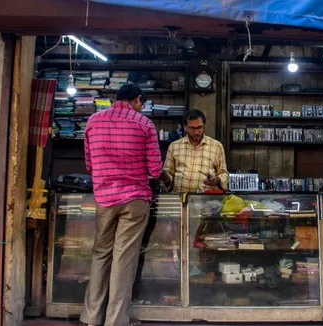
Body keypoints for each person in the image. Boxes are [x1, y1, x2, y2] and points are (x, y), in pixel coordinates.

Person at [80, 84, 162, 326]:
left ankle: (91, 317)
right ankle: (116, 320)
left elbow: (89, 165)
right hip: (134, 198)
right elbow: (155, 169)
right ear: (137, 99)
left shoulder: (93, 121)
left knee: (100, 254)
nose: (141, 108)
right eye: (141, 103)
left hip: (104, 198)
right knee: (123, 258)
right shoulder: (144, 124)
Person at [160, 109, 229, 192]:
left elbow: (224, 173)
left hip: (207, 199)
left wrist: (217, 180)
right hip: (180, 198)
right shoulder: (174, 146)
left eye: (199, 127)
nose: (196, 132)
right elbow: (168, 173)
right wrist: (165, 177)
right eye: (192, 128)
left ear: (204, 126)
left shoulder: (216, 146)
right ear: (185, 127)